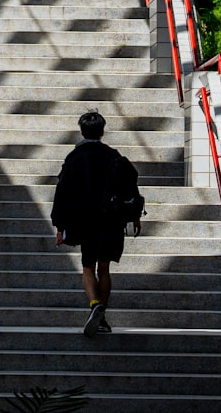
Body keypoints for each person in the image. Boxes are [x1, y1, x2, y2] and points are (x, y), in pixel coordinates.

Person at [50, 111, 143, 337]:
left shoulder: (74, 159)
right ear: (102, 131)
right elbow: (130, 185)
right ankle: (102, 317)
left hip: (85, 221)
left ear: (81, 131)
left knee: (88, 267)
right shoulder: (114, 156)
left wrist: (59, 226)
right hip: (111, 220)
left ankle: (94, 305)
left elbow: (62, 192)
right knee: (105, 268)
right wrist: (135, 215)